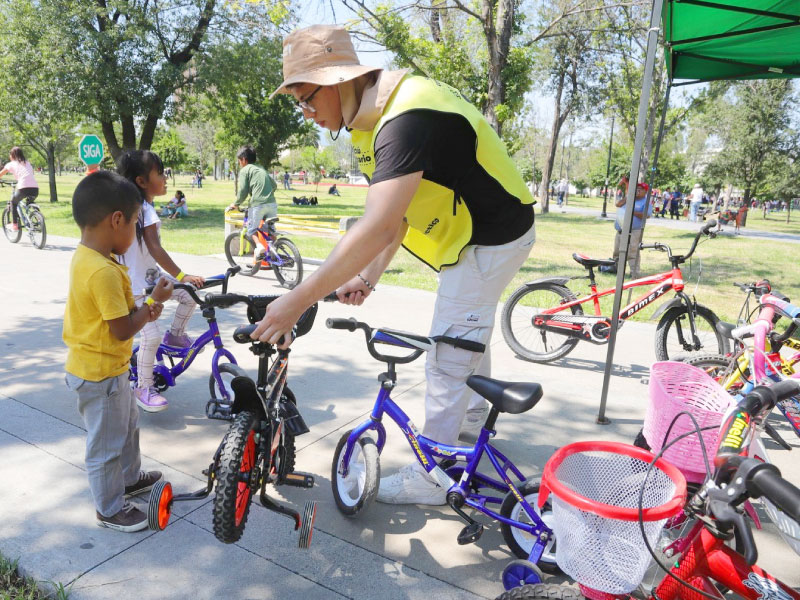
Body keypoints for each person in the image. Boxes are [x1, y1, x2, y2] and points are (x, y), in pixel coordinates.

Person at [254, 24, 536, 505]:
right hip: (473, 235)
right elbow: (398, 217)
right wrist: (368, 276)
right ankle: (470, 420)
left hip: (490, 236)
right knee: (467, 327)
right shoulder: (373, 118)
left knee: (448, 353)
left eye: (307, 99)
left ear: (340, 80)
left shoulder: (406, 118)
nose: (307, 114)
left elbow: (377, 226)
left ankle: (435, 474)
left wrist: (296, 301)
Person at [63, 171, 174, 532]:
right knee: (106, 446)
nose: (135, 233)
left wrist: (146, 307)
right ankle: (110, 508)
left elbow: (119, 317)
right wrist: (153, 302)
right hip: (100, 376)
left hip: (109, 368)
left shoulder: (89, 258)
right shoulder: (103, 272)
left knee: (127, 428)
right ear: (116, 220)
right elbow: (122, 328)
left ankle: (129, 478)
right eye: (134, 223)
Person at [118, 151, 205, 412]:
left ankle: (175, 336)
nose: (165, 178)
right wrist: (181, 276)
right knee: (151, 336)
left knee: (188, 295)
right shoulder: (141, 209)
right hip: (136, 287)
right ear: (142, 181)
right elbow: (155, 248)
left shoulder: (143, 208)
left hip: (151, 278)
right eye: (160, 173)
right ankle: (144, 387)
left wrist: (182, 282)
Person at [226, 146, 278, 246]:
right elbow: (274, 185)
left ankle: (259, 247)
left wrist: (236, 204)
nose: (239, 163)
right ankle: (275, 249)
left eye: (239, 161)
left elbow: (243, 191)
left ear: (244, 159)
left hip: (257, 205)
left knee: (251, 229)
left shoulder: (245, 170)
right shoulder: (261, 168)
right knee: (271, 230)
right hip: (272, 204)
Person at [600, 178, 651, 278]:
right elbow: (618, 204)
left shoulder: (646, 202)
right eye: (636, 188)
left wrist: (632, 212)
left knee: (632, 252)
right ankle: (616, 270)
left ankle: (634, 273)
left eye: (640, 189)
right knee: (617, 251)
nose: (638, 190)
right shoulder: (629, 198)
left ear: (645, 191)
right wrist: (627, 197)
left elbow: (646, 215)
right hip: (621, 230)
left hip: (634, 231)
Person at [0, 147, 39, 231]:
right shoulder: (27, 163)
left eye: (10, 154)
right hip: (35, 188)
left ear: (12, 155)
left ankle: (14, 225)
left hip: (23, 188)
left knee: (13, 202)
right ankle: (37, 218)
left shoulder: (11, 164)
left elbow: (1, 174)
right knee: (29, 203)